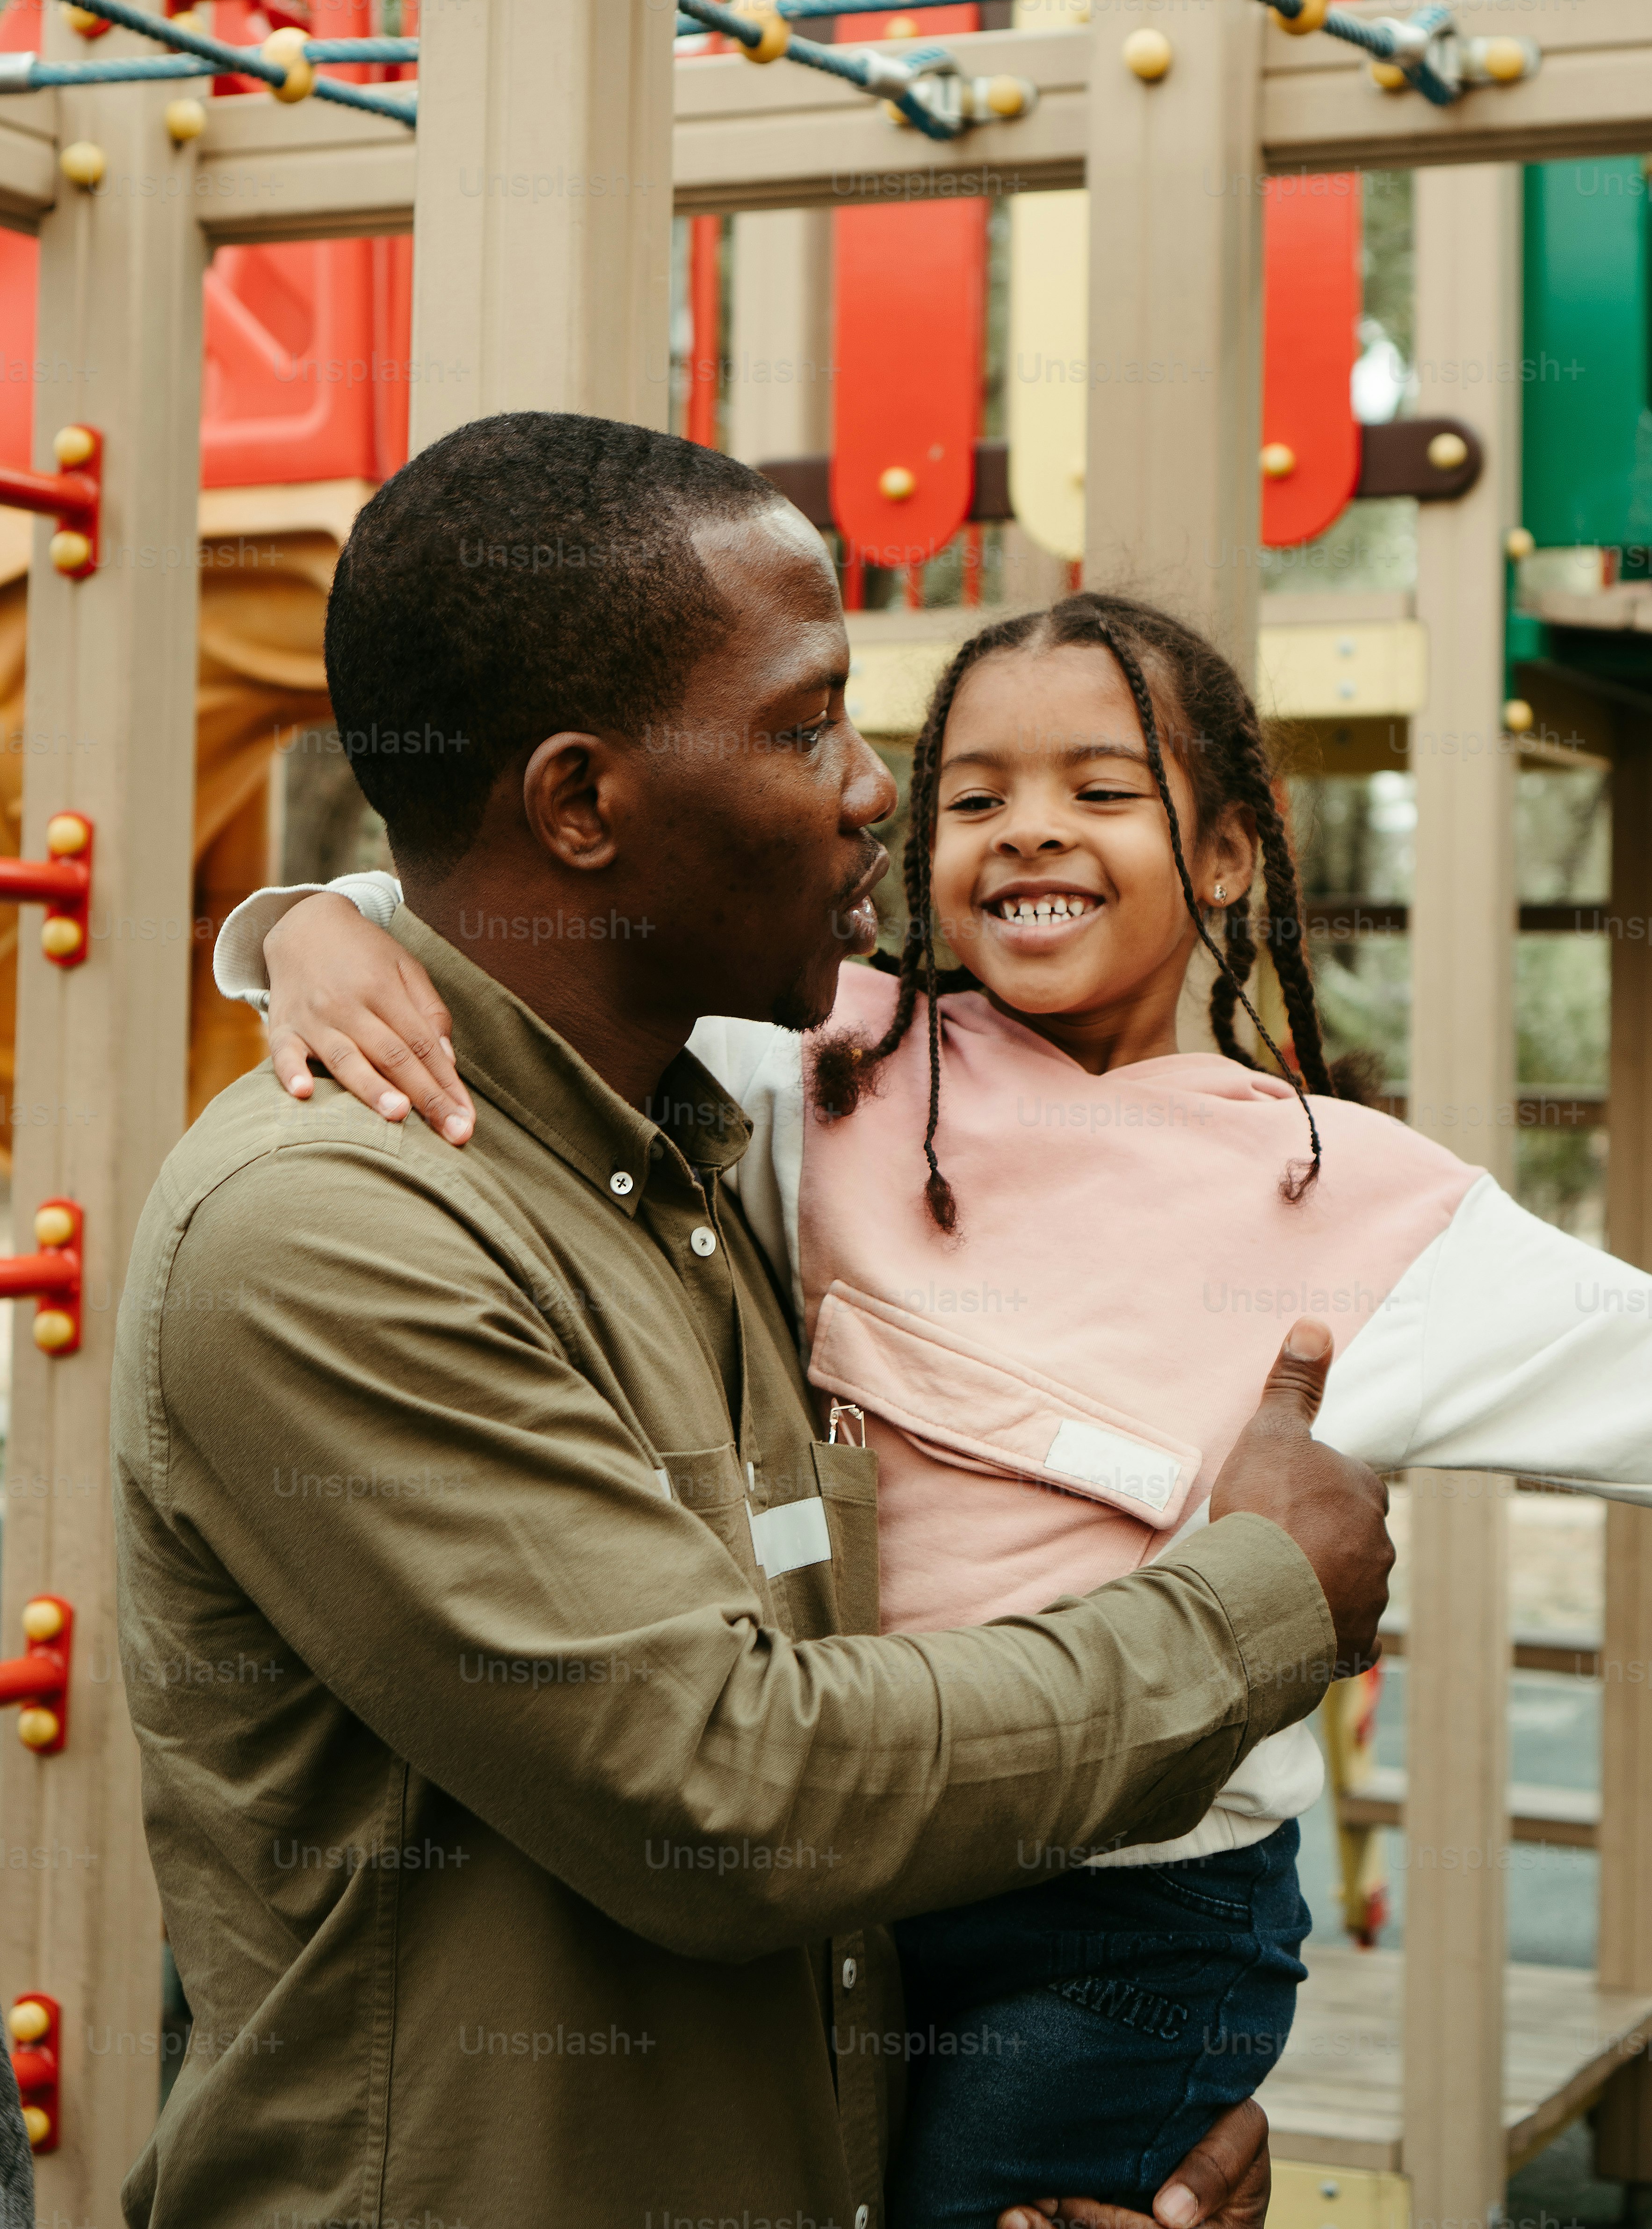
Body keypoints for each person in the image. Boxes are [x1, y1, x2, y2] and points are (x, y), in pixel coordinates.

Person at [235, 577, 1652, 2222]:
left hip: (1131, 1915)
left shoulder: (1367, 1206)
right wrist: (309, 929)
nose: (1028, 832)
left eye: (1101, 792)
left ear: (1227, 855)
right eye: (974, 796)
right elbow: (520, 940)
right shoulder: (827, 1064)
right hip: (865, 1861)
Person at [114, 413, 1394, 2229]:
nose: (877, 787)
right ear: (580, 805)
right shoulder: (332, 1229)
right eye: (805, 726)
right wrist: (1256, 1595)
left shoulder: (693, 1171)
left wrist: (1060, 2152)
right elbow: (725, 1785)